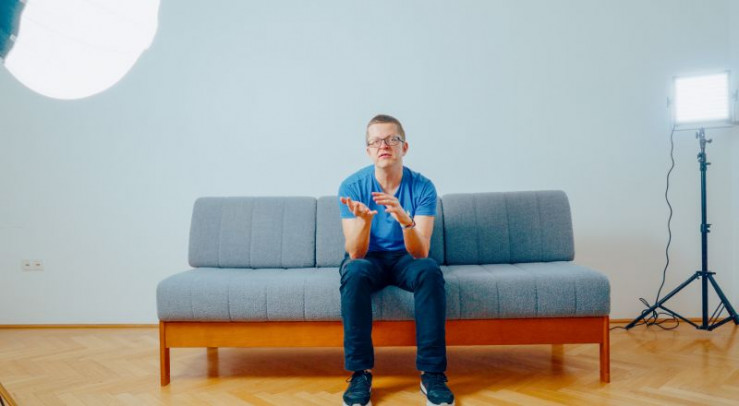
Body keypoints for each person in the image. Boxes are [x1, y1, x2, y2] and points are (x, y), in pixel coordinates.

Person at [338, 114, 455, 406]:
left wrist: (405, 220)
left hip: (406, 257)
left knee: (429, 270)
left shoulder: (423, 187)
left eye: (392, 139)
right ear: (368, 150)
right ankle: (360, 374)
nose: (384, 146)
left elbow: (420, 252)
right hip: (369, 258)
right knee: (354, 272)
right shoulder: (352, 187)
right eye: (376, 141)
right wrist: (365, 222)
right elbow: (355, 254)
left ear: (405, 147)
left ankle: (432, 374)